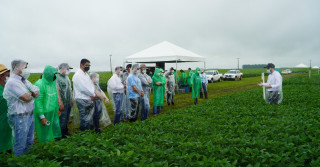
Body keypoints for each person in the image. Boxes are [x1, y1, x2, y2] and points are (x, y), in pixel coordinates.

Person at [4, 60, 40, 156]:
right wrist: (31, 94)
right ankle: (18, 162)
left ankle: (28, 160)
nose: (26, 69)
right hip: (19, 117)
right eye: (24, 67)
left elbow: (37, 91)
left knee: (29, 141)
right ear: (16, 68)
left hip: (29, 115)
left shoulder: (24, 80)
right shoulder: (12, 82)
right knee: (20, 143)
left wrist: (30, 93)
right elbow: (26, 98)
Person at [34, 65, 61, 143]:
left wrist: (57, 109)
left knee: (51, 131)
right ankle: (45, 150)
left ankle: (51, 148)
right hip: (44, 113)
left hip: (52, 112)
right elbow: (38, 102)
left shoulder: (52, 83)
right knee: (44, 134)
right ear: (48, 74)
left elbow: (54, 97)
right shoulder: (39, 84)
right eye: (54, 74)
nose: (55, 76)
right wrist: (42, 116)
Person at [72, 59, 95, 131]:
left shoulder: (86, 74)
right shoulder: (78, 75)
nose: (88, 67)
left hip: (88, 98)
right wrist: (93, 94)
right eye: (86, 65)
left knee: (89, 117)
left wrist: (92, 93)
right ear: (82, 65)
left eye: (89, 65)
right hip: (82, 99)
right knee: (84, 118)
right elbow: (83, 88)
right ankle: (84, 133)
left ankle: (89, 131)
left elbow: (90, 85)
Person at [56, 63, 73, 138]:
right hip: (62, 103)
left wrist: (71, 100)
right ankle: (60, 136)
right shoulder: (57, 77)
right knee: (62, 119)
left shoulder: (66, 77)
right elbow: (57, 91)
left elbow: (70, 89)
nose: (68, 71)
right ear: (62, 68)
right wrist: (60, 103)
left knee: (66, 118)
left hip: (68, 102)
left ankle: (65, 132)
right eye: (67, 69)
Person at [0, 64, 13, 153]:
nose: (8, 77)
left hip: (9, 121)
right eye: (7, 76)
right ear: (1, 77)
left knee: (9, 142)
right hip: (1, 121)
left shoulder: (8, 87)